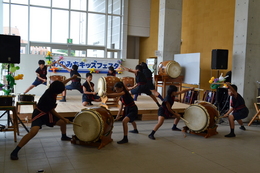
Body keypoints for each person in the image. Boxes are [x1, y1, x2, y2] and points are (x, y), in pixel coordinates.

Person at [10, 75, 78, 160]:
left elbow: (62, 84)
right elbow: (53, 111)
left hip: (47, 113)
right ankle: (15, 151)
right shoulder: (49, 97)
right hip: (40, 114)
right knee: (33, 132)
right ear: (57, 91)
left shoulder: (51, 89)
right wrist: (64, 118)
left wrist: (72, 78)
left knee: (62, 123)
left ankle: (63, 136)